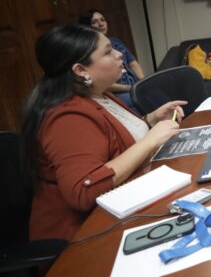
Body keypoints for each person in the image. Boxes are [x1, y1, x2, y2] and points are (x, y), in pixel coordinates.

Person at [22, 24, 185, 241]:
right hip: (84, 234)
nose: (119, 54)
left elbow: (108, 138)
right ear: (81, 70)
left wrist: (150, 120)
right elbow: (82, 191)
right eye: (108, 52)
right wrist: (149, 141)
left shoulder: (99, 94)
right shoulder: (67, 116)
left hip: (121, 209)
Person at [78, 9, 143, 113]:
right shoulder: (87, 51)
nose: (101, 24)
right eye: (94, 22)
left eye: (102, 20)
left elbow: (133, 63)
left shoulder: (116, 41)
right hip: (117, 92)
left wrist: (143, 82)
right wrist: (130, 88)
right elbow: (96, 82)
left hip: (134, 85)